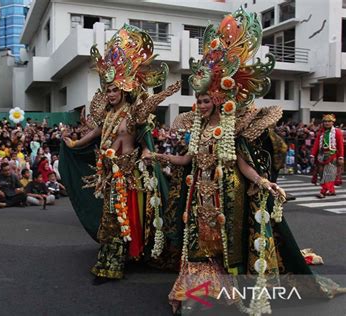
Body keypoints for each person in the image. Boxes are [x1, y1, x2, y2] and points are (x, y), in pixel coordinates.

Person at [148, 9, 345, 314]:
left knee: (228, 244)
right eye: (197, 100)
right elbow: (187, 159)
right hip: (199, 193)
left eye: (205, 100)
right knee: (199, 243)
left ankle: (225, 292)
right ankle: (196, 295)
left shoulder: (233, 126)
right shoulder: (196, 129)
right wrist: (158, 156)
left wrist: (264, 182)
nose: (200, 105)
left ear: (217, 99)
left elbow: (242, 164)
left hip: (229, 191)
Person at [60, 24, 181, 284]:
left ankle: (113, 264)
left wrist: (147, 153)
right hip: (110, 173)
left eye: (115, 89)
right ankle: (119, 256)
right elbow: (93, 135)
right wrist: (72, 144)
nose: (111, 94)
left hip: (127, 175)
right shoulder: (109, 114)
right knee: (113, 217)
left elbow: (139, 140)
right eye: (108, 89)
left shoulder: (133, 115)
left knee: (119, 219)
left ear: (125, 89)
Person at [310, 114, 344, 198]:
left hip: (332, 155)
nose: (327, 123)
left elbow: (340, 145)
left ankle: (323, 192)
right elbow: (316, 144)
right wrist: (312, 155)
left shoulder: (337, 131)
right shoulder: (320, 132)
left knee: (329, 174)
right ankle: (331, 190)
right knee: (322, 174)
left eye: (329, 121)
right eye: (325, 121)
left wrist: (341, 157)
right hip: (321, 156)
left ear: (332, 122)